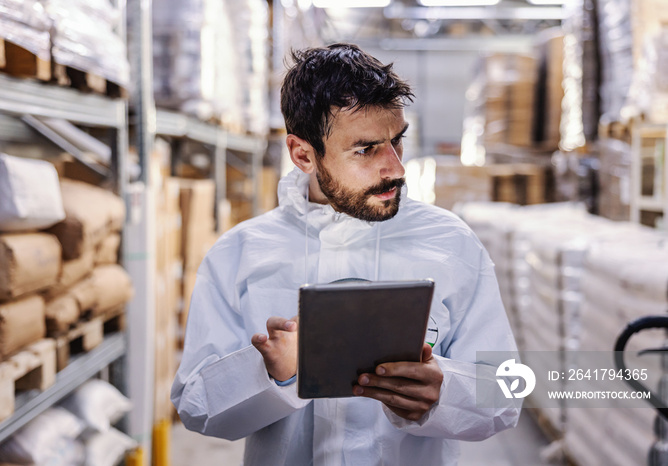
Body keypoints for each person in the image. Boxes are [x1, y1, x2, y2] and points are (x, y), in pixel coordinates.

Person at [172, 43, 520, 465]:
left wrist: (446, 391)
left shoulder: (450, 243)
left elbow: (504, 393)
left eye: (397, 141)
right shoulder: (240, 254)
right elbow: (196, 406)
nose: (395, 167)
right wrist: (273, 374)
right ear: (303, 154)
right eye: (366, 149)